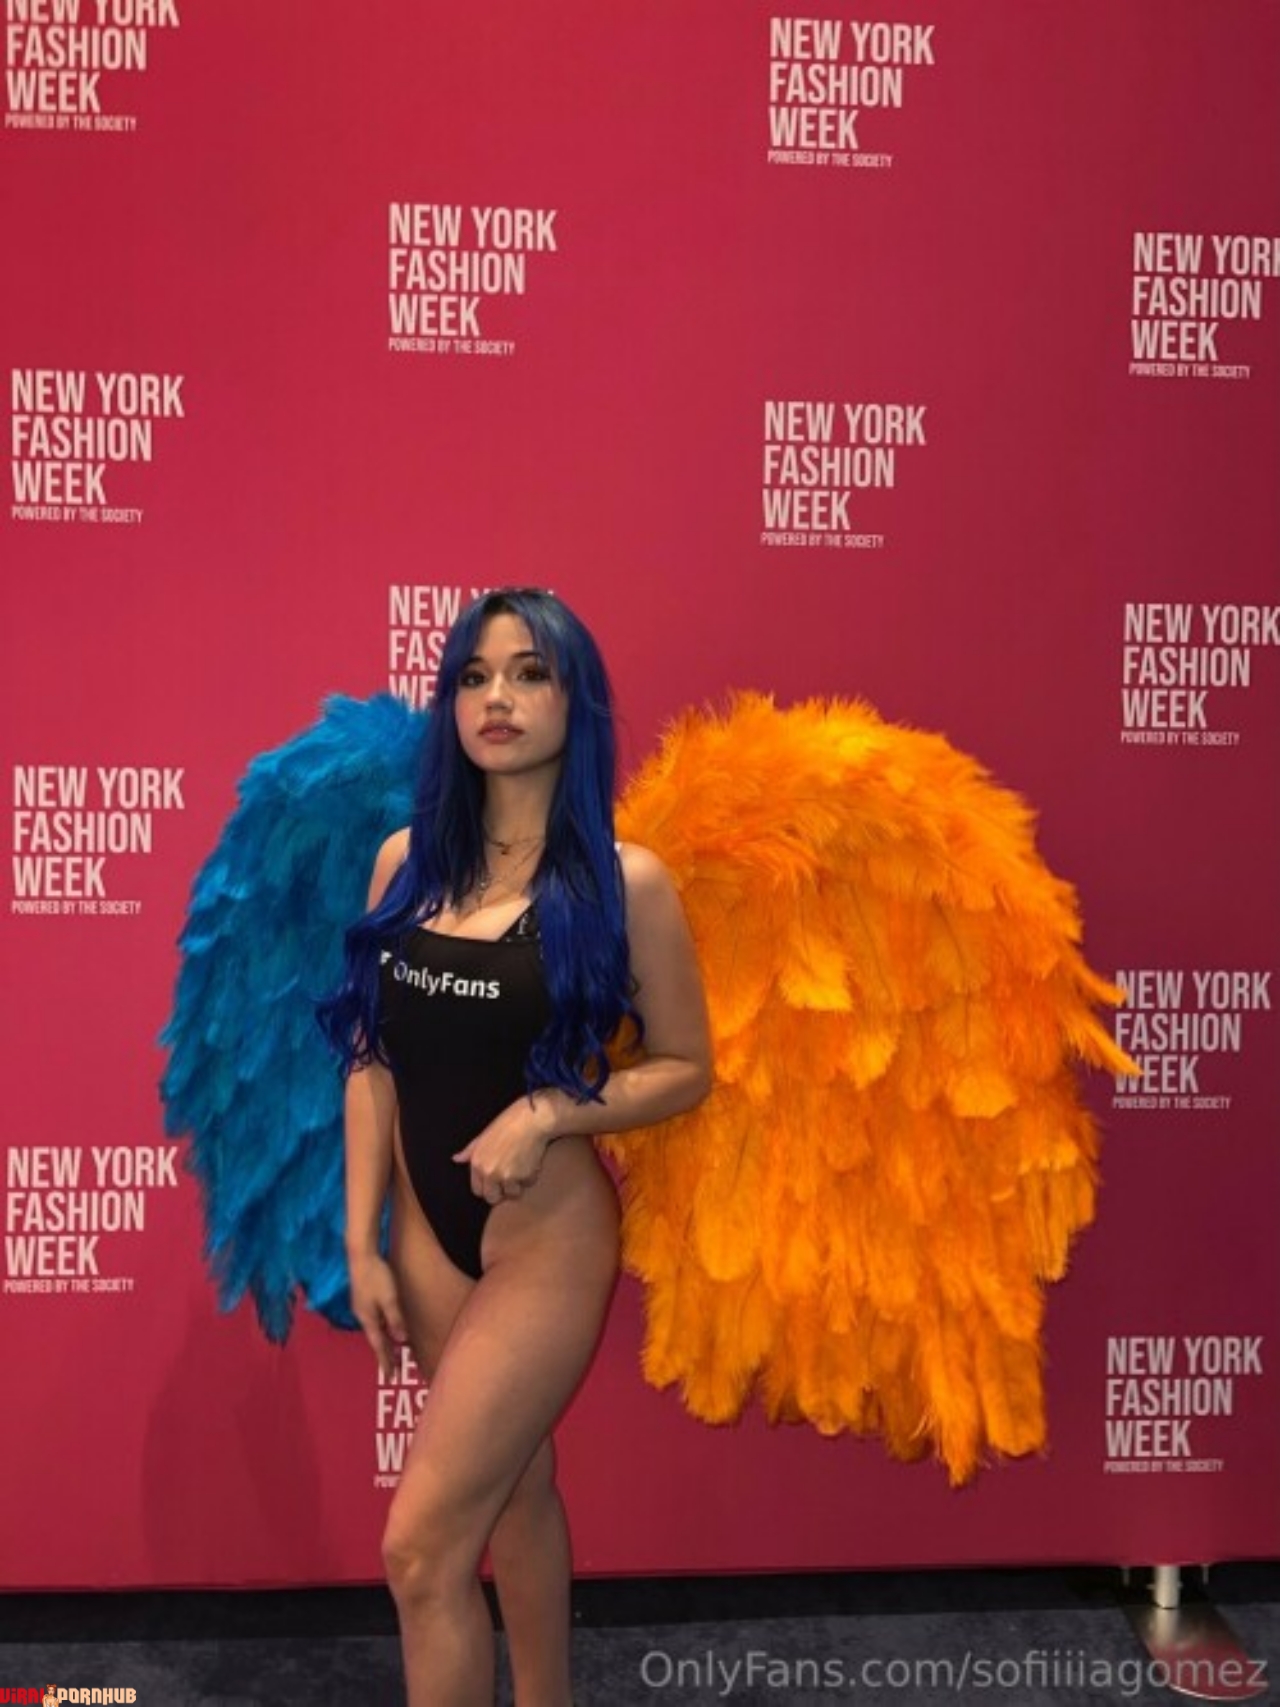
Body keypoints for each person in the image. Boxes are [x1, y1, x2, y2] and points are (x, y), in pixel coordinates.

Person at [319, 588, 712, 1707]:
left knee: (419, 1551)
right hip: (425, 1239)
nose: (497, 697)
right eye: (474, 676)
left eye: (529, 673)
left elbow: (685, 1066)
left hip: (545, 1244)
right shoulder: (404, 865)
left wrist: (550, 1111)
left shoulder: (624, 882)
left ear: (574, 701)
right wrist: (361, 1242)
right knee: (516, 1489)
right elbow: (369, 1058)